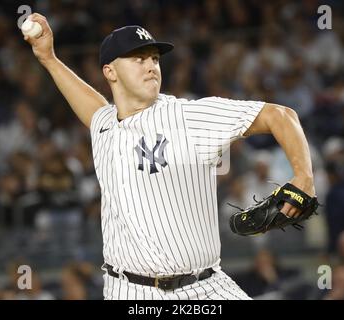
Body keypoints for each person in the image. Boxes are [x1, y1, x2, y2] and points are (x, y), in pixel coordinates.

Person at [23, 13, 316, 300]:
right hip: (127, 290)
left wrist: (303, 175)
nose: (151, 66)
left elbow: (280, 115)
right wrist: (48, 59)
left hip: (203, 288)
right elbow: (95, 108)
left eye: (155, 59)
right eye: (138, 59)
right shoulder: (105, 125)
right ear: (110, 72)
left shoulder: (186, 117)